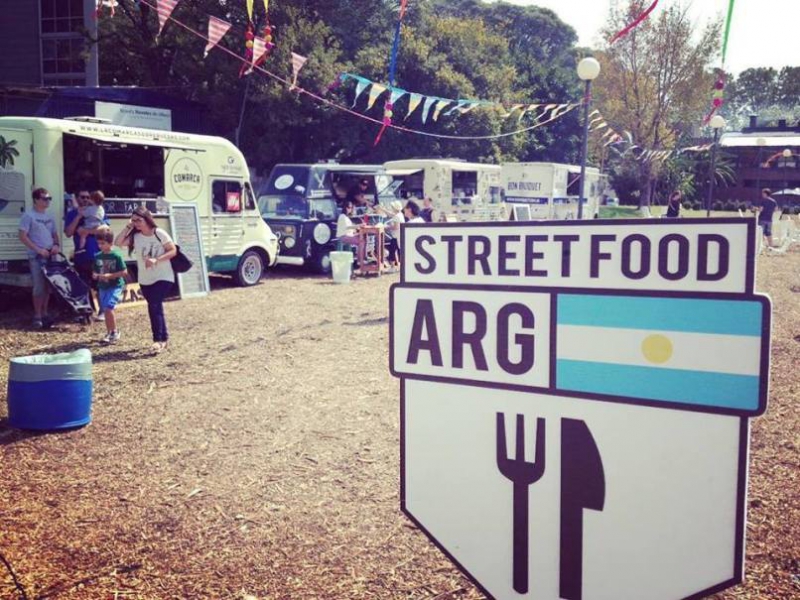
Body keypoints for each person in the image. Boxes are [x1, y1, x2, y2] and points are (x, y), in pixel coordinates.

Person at [114, 207, 177, 354]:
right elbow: (118, 242)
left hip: (163, 276)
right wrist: (128, 227)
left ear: (147, 219)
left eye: (139, 220)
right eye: (133, 220)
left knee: (154, 305)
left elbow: (173, 250)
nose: (136, 223)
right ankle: (164, 338)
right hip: (145, 279)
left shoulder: (159, 233)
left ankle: (158, 340)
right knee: (155, 306)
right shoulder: (136, 236)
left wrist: (157, 259)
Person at [18, 188, 60, 329]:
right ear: (36, 200)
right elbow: (22, 236)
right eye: (44, 198)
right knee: (38, 287)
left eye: (49, 198)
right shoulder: (28, 216)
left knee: (48, 287)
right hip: (36, 256)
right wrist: (38, 250)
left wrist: (56, 245)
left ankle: (45, 313)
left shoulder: (50, 215)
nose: (47, 201)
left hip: (50, 255)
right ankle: (37, 316)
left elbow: (54, 234)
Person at [65, 189, 109, 318]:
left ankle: (103, 311)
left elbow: (106, 229)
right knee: (82, 285)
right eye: (82, 197)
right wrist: (78, 216)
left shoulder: (98, 209)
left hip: (99, 253)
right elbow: (68, 233)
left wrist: (86, 231)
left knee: (102, 283)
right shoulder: (72, 213)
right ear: (77, 198)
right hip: (81, 255)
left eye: (87, 197)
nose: (85, 199)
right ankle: (84, 313)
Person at [92, 229, 127, 344]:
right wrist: (96, 275)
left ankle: (115, 332)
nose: (100, 246)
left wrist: (110, 275)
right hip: (103, 286)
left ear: (110, 243)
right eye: (98, 243)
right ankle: (109, 332)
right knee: (105, 310)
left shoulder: (116, 256)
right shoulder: (98, 256)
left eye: (103, 243)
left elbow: (124, 272)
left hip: (115, 286)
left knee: (109, 308)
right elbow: (95, 271)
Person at [383, 200, 405, 272]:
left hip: (396, 236)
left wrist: (386, 227)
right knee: (398, 251)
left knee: (393, 251)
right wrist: (383, 209)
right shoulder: (400, 214)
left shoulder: (397, 216)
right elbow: (391, 214)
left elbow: (396, 227)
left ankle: (393, 267)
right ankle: (399, 266)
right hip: (399, 235)